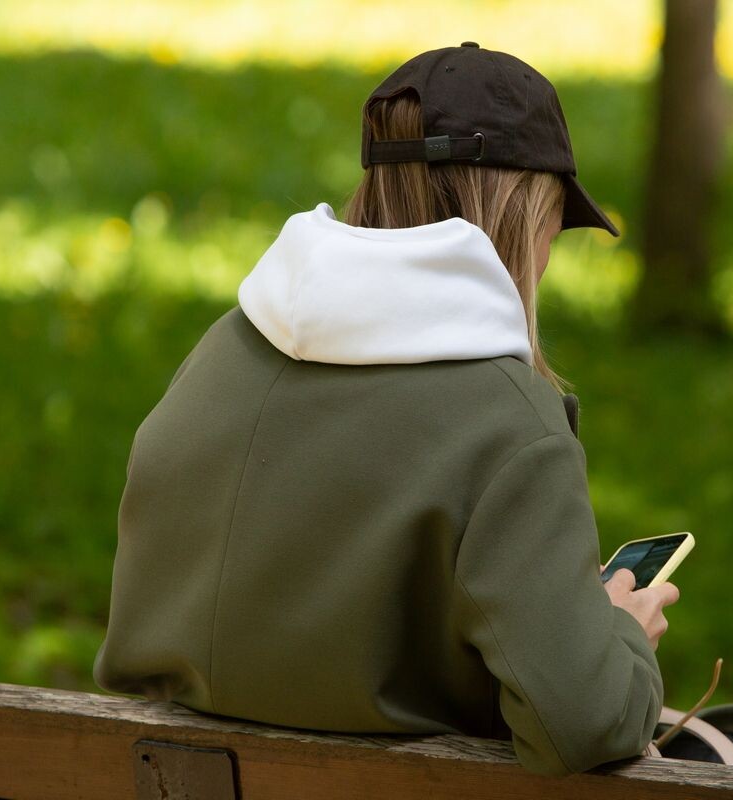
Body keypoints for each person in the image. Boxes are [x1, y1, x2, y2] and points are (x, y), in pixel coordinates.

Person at [92, 42, 680, 778]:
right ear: (525, 215)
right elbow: (584, 725)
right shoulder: (512, 424)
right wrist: (621, 636)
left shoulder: (225, 347)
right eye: (554, 227)